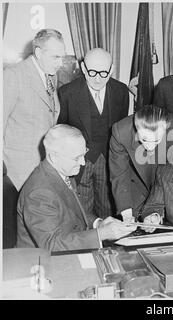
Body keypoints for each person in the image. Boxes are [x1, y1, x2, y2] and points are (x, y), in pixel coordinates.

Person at [17, 125, 136, 252]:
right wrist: (101, 234)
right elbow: (52, 246)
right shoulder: (39, 193)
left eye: (83, 154)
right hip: (43, 263)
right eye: (76, 158)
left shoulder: (62, 172)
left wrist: (98, 224)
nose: (83, 163)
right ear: (54, 157)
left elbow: (74, 213)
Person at [58, 48, 130, 219]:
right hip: (79, 162)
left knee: (108, 210)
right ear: (83, 68)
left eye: (104, 73)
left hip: (108, 162)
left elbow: (121, 130)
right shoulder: (66, 93)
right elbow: (62, 130)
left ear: (111, 70)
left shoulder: (121, 91)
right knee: (82, 213)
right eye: (91, 72)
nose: (97, 78)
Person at [3, 29, 65, 190]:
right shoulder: (13, 75)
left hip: (44, 167)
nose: (60, 63)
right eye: (55, 57)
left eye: (62, 57)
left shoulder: (51, 75)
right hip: (18, 170)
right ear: (38, 52)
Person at [109, 105, 173, 221]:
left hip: (163, 183)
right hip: (135, 185)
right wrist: (126, 213)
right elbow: (119, 173)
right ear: (136, 128)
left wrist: (157, 209)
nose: (149, 146)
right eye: (144, 139)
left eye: (156, 140)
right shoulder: (121, 132)